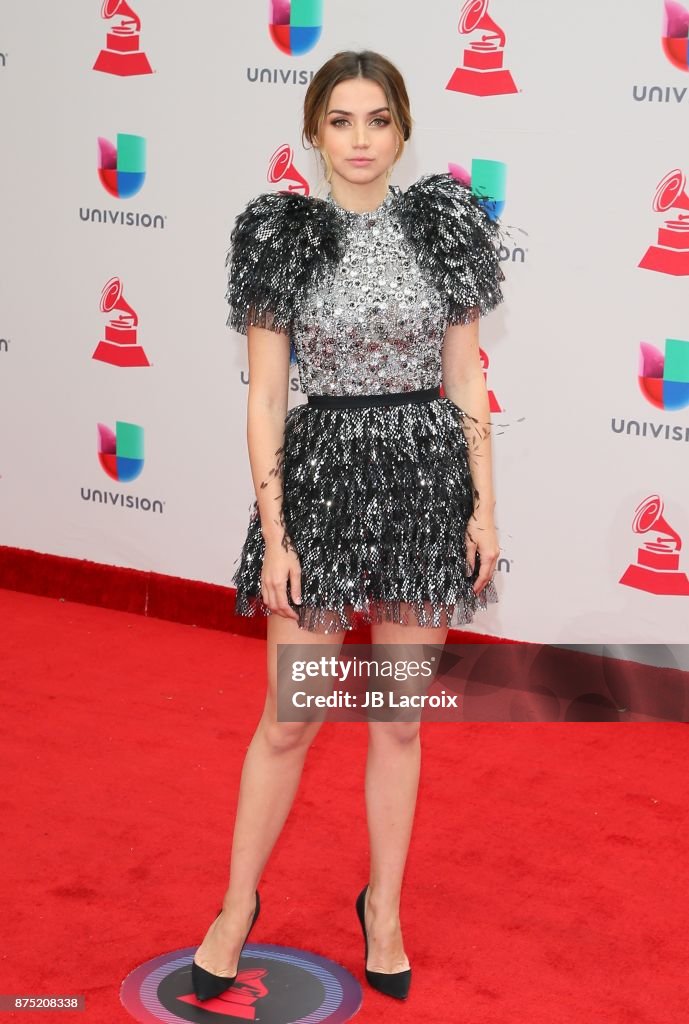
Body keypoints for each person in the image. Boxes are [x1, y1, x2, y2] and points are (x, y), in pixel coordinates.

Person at [192, 49, 505, 1004]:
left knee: (397, 721)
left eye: (377, 119)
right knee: (291, 719)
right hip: (318, 484)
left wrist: (483, 504)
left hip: (422, 481)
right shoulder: (280, 234)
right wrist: (275, 530)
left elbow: (463, 381)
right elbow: (267, 396)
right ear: (312, 130)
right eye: (341, 120)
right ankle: (237, 906)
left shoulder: (443, 226)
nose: (361, 140)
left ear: (403, 130)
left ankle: (385, 910)